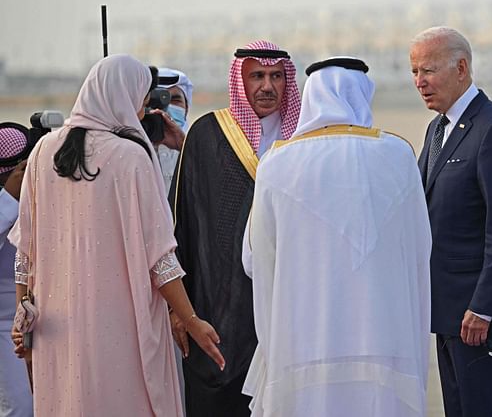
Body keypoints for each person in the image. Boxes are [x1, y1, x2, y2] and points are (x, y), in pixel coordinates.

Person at [8, 54, 224, 417]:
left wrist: (22, 316)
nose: (142, 111)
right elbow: (161, 261)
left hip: (54, 329)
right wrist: (190, 319)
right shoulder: (130, 157)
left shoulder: (43, 150)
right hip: (119, 329)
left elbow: (24, 255)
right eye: (142, 100)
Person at [241, 57, 432, 416]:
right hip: (381, 337)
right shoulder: (398, 154)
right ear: (363, 94)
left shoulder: (277, 162)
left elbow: (253, 259)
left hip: (303, 336)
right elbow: (421, 248)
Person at [170, 40, 301, 416]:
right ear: (240, 81)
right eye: (257, 76)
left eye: (276, 77)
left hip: (285, 300)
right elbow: (182, 224)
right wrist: (179, 310)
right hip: (217, 304)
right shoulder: (208, 134)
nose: (267, 86)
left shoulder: (304, 139)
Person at [411, 26, 492, 417]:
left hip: (477, 315)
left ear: (461, 68)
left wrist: (483, 306)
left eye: (428, 71)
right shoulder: (437, 129)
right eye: (414, 73)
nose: (419, 83)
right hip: (448, 309)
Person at [0, 125, 32, 417]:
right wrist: (9, 199)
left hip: (35, 320)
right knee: (21, 409)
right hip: (3, 322)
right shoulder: (7, 202)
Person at [156, 68, 193, 191]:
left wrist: (185, 147)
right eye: (160, 100)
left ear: (186, 107)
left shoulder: (199, 147)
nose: (168, 107)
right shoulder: (130, 148)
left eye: (175, 100)